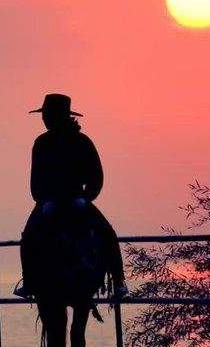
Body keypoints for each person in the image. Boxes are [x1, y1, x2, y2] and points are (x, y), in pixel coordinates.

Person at [15, 94, 127, 299]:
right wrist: (43, 200)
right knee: (29, 236)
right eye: (45, 115)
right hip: (49, 200)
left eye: (48, 115)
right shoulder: (41, 143)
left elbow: (96, 175)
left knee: (107, 232)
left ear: (60, 116)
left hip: (76, 198)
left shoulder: (82, 142)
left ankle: (118, 279)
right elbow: (36, 179)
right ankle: (29, 280)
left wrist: (86, 198)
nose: (44, 119)